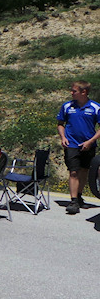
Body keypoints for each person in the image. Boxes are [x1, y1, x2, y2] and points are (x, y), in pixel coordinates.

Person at [57, 80, 100, 214]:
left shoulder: (95, 107)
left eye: (74, 91)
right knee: (74, 171)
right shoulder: (67, 106)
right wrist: (63, 137)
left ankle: (79, 196)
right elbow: (60, 123)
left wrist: (90, 141)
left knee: (84, 171)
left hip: (88, 145)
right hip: (71, 144)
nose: (71, 93)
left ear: (83, 92)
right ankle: (73, 201)